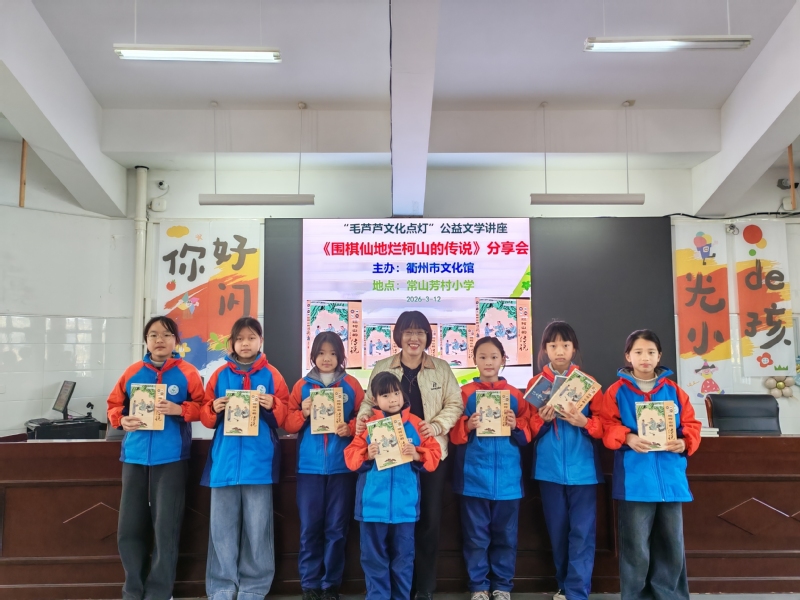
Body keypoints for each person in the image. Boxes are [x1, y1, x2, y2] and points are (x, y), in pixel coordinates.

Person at [355, 310, 463, 600]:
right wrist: (362, 425)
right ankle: (392, 590)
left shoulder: (441, 368)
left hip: (428, 455)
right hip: (389, 458)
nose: (414, 338)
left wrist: (435, 426)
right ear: (399, 336)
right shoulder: (382, 367)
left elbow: (455, 404)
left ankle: (423, 588)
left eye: (420, 332)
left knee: (428, 521)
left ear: (427, 336)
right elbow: (367, 403)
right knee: (393, 524)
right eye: (408, 332)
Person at [598, 329, 701, 600]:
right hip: (635, 482)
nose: (645, 357)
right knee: (635, 548)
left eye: (651, 352)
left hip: (670, 480)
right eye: (639, 352)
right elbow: (606, 426)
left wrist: (685, 442)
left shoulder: (674, 390)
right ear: (628, 356)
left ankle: (670, 596)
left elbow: (692, 424)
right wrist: (627, 437)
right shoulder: (616, 391)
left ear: (659, 356)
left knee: (671, 545)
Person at [107, 315, 205, 600]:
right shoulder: (132, 372)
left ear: (176, 340)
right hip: (135, 457)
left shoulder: (188, 373)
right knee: (129, 528)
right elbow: (114, 405)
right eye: (153, 335)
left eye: (166, 334)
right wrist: (121, 419)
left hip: (171, 457)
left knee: (166, 528)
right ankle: (133, 591)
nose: (159, 340)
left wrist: (180, 410)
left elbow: (204, 408)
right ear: (146, 341)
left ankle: (160, 593)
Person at [199, 317, 290, 600]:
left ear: (260, 341)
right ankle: (222, 587)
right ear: (232, 343)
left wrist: (274, 404)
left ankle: (254, 587)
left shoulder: (273, 375)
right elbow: (205, 416)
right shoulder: (219, 374)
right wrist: (213, 408)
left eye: (251, 337)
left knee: (258, 529)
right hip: (224, 462)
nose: (245, 343)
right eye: (240, 339)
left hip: (258, 464)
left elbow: (285, 416)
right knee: (221, 530)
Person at [345, 372, 441, 600]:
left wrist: (417, 454)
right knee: (373, 560)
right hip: (372, 508)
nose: (393, 399)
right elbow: (350, 457)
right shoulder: (367, 426)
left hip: (404, 509)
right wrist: (366, 454)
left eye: (396, 393)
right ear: (375, 400)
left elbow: (434, 455)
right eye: (385, 395)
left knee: (403, 560)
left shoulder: (416, 424)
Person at [526, 321, 604, 600]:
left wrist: (585, 422)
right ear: (544, 349)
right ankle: (563, 585)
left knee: (582, 532)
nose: (559, 351)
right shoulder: (536, 384)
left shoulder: (588, 383)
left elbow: (604, 426)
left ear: (574, 349)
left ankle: (577, 591)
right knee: (558, 531)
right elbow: (527, 429)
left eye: (565, 345)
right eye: (553, 345)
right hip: (548, 470)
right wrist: (542, 420)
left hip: (584, 470)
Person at [285, 332, 365, 600]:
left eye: (332, 353)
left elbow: (365, 420)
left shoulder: (352, 385)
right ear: (313, 356)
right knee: (310, 527)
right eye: (321, 353)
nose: (326, 358)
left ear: (340, 356)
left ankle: (330, 584)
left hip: (343, 467)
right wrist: (303, 413)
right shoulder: (302, 386)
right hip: (309, 468)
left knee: (336, 529)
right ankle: (309, 584)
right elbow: (287, 422)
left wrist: (350, 428)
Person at [450, 337, 531, 600]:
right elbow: (453, 434)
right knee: (476, 537)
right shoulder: (464, 393)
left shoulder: (515, 395)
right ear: (474, 360)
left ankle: (502, 586)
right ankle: (479, 587)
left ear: (503, 360)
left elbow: (527, 433)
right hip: (473, 478)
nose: (488, 362)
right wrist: (467, 425)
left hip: (508, 479)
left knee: (506, 537)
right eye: (482, 357)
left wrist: (516, 424)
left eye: (494, 357)